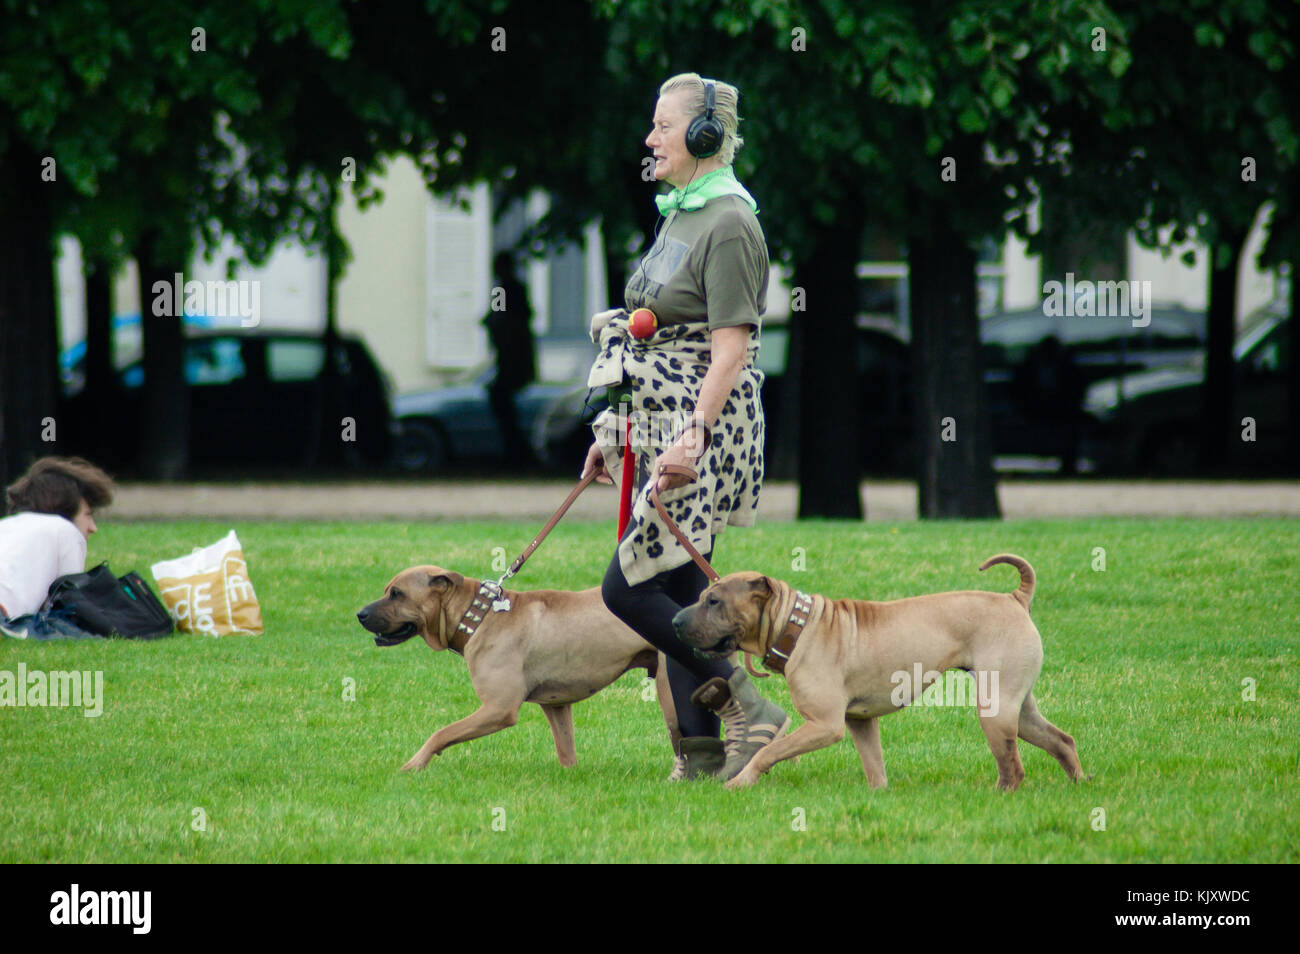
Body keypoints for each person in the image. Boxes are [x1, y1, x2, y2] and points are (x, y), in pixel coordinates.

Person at [581, 73, 786, 780]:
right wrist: (614, 435)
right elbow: (653, 329)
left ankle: (750, 707)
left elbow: (729, 348)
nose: (650, 139)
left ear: (702, 136)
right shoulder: (683, 211)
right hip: (656, 418)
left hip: (705, 427)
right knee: (670, 588)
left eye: (663, 127)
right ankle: (698, 757)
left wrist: (690, 437)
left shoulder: (730, 222)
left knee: (628, 586)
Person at [0, 457, 115, 635]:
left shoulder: (6, 525)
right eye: (88, 515)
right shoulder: (65, 530)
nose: (93, 527)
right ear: (65, 509)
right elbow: (71, 606)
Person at [483, 250, 538, 466]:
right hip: (515, 354)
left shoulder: (502, 290)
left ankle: (516, 450)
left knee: (500, 399)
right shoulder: (515, 289)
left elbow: (499, 318)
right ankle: (516, 449)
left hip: (511, 355)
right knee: (503, 400)